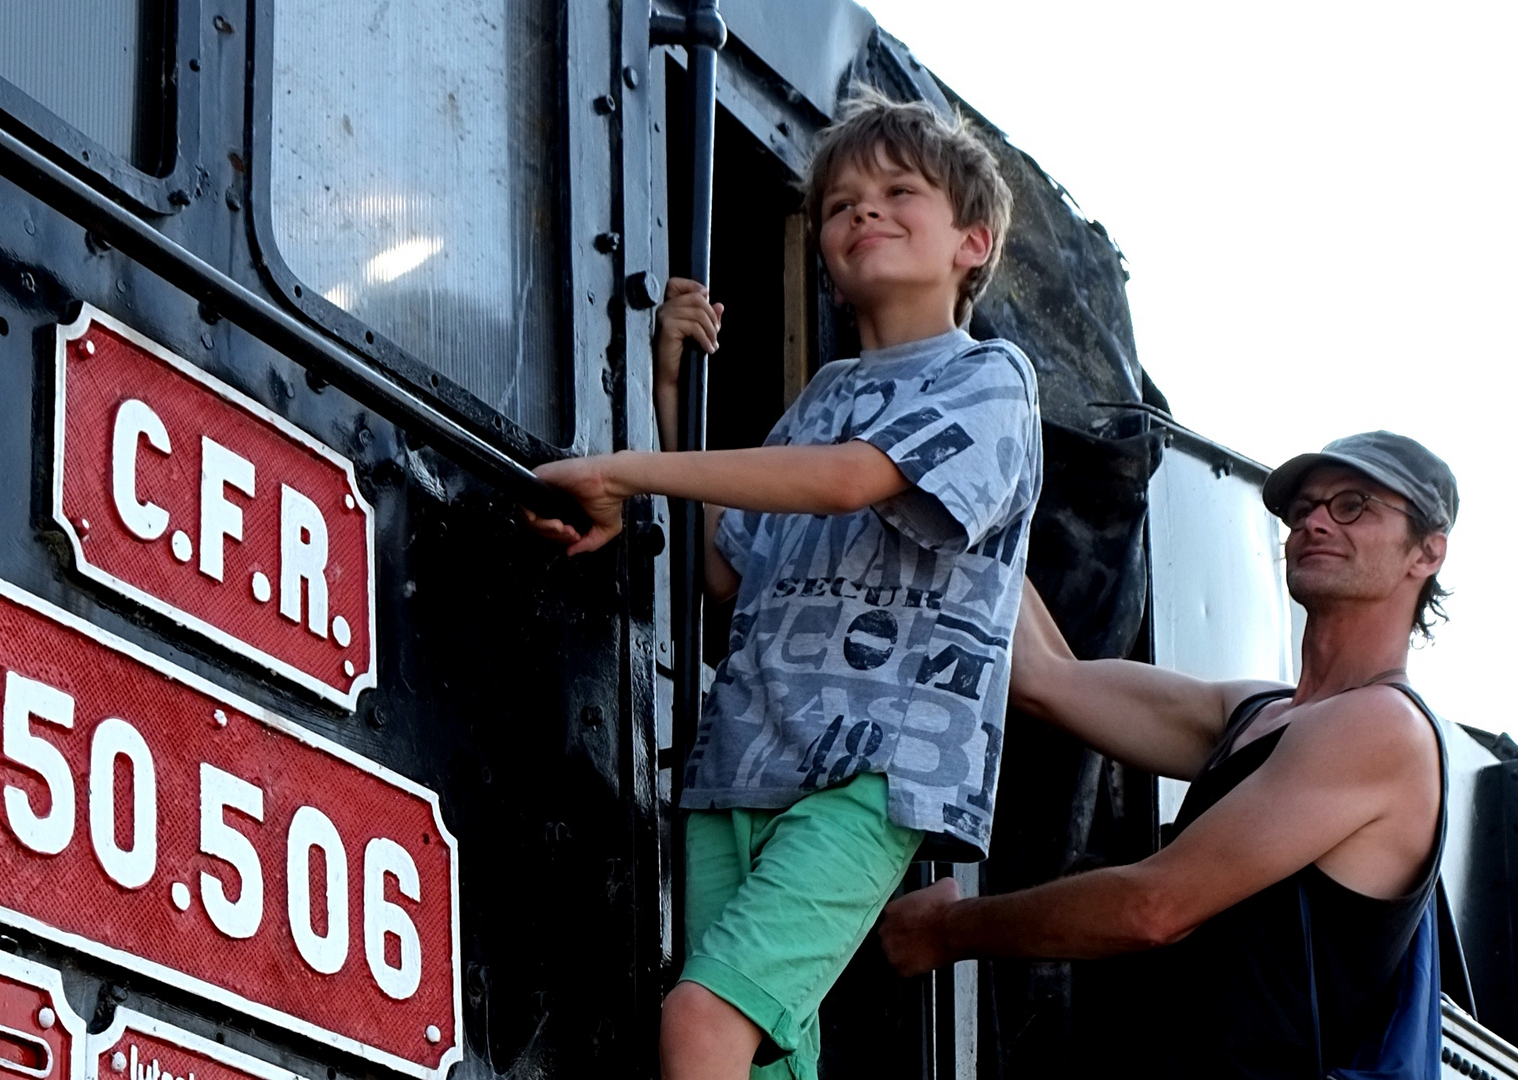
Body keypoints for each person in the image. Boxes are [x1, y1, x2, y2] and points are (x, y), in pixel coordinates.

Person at [525, 90, 1040, 1080]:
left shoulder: (988, 378)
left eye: (898, 191)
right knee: (758, 1054)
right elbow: (729, 572)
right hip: (742, 760)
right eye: (840, 202)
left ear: (972, 241)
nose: (862, 212)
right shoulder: (819, 401)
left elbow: (853, 478)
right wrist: (672, 387)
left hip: (870, 774)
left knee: (699, 1022)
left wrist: (627, 470)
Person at [879, 431, 1458, 1078]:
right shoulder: (1254, 714)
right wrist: (969, 501)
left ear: (1425, 552)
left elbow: (1152, 909)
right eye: (1302, 511)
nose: (1314, 522)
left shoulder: (1382, 729)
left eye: (1352, 505)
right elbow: (1046, 678)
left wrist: (945, 932)